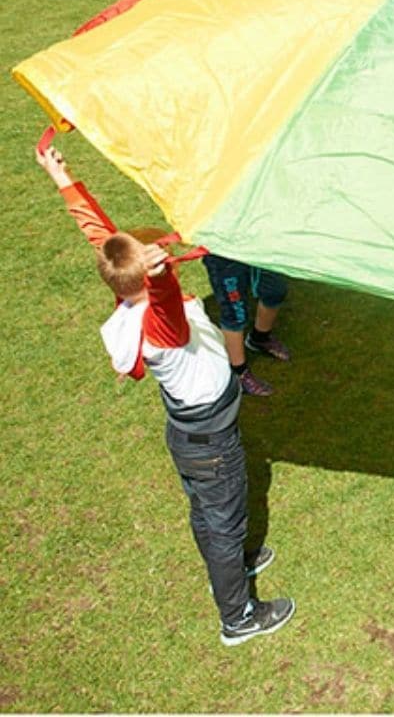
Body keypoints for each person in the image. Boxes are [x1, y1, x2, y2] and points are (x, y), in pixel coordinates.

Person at [36, 144, 295, 647]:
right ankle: (238, 616)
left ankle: (236, 560)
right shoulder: (162, 324)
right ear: (149, 280)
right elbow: (165, 300)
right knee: (224, 518)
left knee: (207, 512)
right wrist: (161, 277)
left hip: (190, 438)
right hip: (211, 444)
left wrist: (61, 176)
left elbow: (100, 235)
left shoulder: (124, 288)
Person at [202, 254, 290, 398]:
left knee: (275, 291)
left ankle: (259, 338)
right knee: (235, 312)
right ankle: (239, 374)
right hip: (225, 253)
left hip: (260, 242)